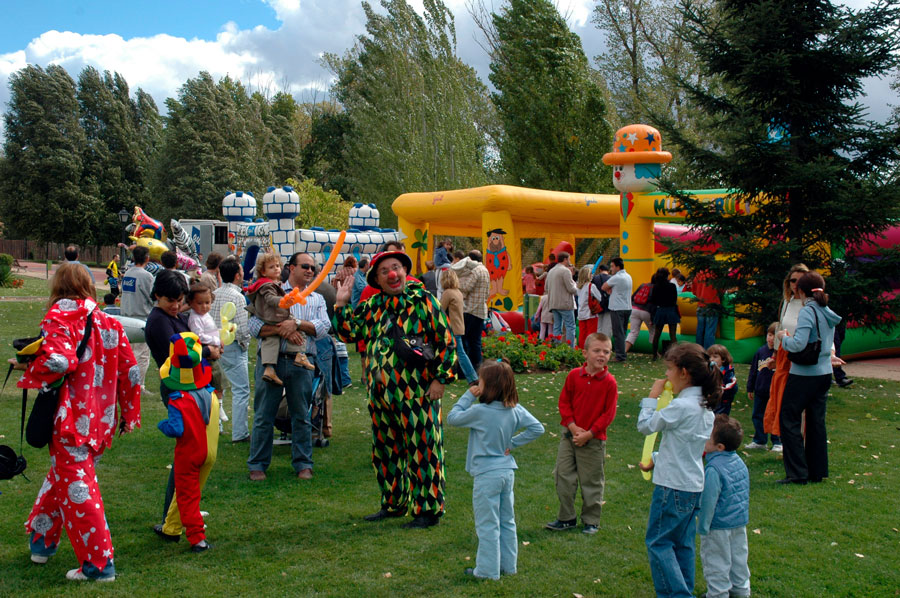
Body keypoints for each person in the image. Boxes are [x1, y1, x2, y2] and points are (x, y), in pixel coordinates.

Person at [12, 263, 140, 582]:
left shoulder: (60, 316)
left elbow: (59, 361)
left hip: (70, 420)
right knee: (64, 479)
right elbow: (131, 371)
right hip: (100, 419)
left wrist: (28, 367)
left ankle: (99, 565)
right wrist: (129, 414)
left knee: (79, 489)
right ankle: (42, 541)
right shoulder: (108, 321)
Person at [333, 250, 457, 528]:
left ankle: (428, 509)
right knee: (386, 451)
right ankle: (393, 503)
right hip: (381, 397)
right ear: (377, 278)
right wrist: (341, 304)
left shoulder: (424, 300)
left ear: (404, 271)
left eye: (397, 267)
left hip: (418, 395)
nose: (393, 274)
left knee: (423, 449)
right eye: (386, 270)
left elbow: (446, 343)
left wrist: (440, 380)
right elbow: (348, 333)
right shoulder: (373, 306)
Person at [446, 359, 544, 580]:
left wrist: (468, 396)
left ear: (487, 385)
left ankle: (487, 571)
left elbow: (453, 418)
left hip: (486, 475)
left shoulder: (479, 411)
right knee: (507, 520)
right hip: (507, 472)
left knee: (487, 524)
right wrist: (512, 444)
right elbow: (537, 428)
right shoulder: (515, 409)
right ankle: (509, 566)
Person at [637, 343, 720, 598]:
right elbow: (684, 446)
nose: (666, 375)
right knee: (682, 544)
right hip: (692, 485)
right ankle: (685, 590)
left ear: (684, 373)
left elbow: (646, 426)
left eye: (670, 369)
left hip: (671, 486)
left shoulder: (681, 407)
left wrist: (651, 398)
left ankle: (677, 595)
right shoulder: (704, 407)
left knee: (659, 542)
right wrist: (658, 459)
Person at [247, 252, 329, 480]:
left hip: (301, 363)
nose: (310, 271)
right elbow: (253, 326)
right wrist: (282, 329)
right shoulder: (270, 290)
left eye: (313, 267)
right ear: (291, 268)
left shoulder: (317, 299)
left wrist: (298, 324)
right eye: (305, 266)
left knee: (301, 415)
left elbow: (324, 327)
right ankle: (257, 465)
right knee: (264, 414)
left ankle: (303, 463)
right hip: (271, 362)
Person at [545, 333, 618, 535]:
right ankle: (566, 517)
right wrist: (573, 427)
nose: (601, 355)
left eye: (606, 351)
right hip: (569, 437)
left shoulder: (609, 382)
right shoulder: (574, 376)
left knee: (592, 481)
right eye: (597, 351)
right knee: (563, 476)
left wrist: (590, 433)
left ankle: (591, 520)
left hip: (593, 441)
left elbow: (608, 414)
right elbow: (564, 402)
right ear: (585, 353)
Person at [776, 271, 842, 485]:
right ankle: (817, 470)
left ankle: (797, 472)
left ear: (802, 291)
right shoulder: (827, 310)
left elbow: (799, 344)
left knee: (789, 418)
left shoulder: (807, 312)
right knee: (816, 422)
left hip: (804, 373)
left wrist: (784, 339)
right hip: (824, 372)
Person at [155, 332, 219, 553]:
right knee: (192, 494)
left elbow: (176, 429)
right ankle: (172, 528)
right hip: (205, 450)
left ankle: (197, 538)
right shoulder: (206, 394)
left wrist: (161, 425)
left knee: (186, 498)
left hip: (187, 455)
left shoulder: (177, 401)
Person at [697, 415, 751, 598]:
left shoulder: (713, 470)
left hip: (718, 526)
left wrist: (703, 526)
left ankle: (718, 593)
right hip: (739, 523)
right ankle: (741, 591)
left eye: (707, 437)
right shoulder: (740, 463)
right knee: (738, 559)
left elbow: (708, 501)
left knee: (716, 561)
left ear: (720, 447)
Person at [246, 252, 315, 386]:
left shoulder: (270, 284)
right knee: (298, 329)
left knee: (271, 340)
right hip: (275, 316)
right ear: (263, 272)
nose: (277, 269)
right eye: (272, 267)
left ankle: (269, 368)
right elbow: (270, 299)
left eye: (278, 266)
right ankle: (299, 354)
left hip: (270, 318)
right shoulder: (267, 285)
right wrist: (285, 300)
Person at [762, 263, 810, 451]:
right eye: (793, 280)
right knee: (782, 401)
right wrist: (774, 353)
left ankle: (802, 447)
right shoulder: (787, 302)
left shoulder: (811, 304)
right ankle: (788, 446)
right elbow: (781, 327)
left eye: (801, 281)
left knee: (801, 405)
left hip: (803, 356)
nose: (796, 285)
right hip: (784, 356)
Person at [211, 257, 252, 443]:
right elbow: (243, 328)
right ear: (237, 275)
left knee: (217, 388)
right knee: (241, 389)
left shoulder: (215, 293)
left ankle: (215, 426)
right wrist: (245, 344)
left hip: (214, 345)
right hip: (232, 346)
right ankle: (240, 433)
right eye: (241, 272)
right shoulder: (237, 297)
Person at [186, 284, 228, 431]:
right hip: (206, 356)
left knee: (220, 382)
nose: (204, 306)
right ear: (191, 303)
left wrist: (220, 337)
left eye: (207, 302)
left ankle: (219, 407)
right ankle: (217, 410)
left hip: (213, 352)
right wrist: (216, 341)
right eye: (200, 303)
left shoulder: (205, 315)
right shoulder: (195, 318)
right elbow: (198, 336)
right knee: (216, 380)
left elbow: (212, 331)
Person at [121, 246, 154, 389]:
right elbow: (152, 296)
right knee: (142, 355)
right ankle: (138, 385)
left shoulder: (128, 273)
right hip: (141, 317)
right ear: (147, 258)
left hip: (127, 316)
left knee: (130, 353)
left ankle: (129, 382)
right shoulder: (146, 276)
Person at [440, 268, 479, 384]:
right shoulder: (458, 292)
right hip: (459, 326)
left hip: (452, 328)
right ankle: (471, 377)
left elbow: (440, 309)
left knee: (460, 354)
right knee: (459, 353)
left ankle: (472, 377)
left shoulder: (447, 293)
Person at [745, 323, 779, 450]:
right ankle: (760, 440)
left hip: (774, 392)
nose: (771, 339)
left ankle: (777, 442)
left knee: (774, 416)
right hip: (760, 390)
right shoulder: (761, 351)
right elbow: (753, 371)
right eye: (769, 335)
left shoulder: (780, 354)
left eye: (774, 336)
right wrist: (750, 387)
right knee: (758, 415)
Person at [458, 250, 491, 371]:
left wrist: (457, 282)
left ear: (470, 260)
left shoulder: (475, 271)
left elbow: (467, 287)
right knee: (476, 342)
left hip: (470, 310)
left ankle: (465, 370)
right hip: (481, 310)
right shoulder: (485, 270)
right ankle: (478, 368)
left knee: (464, 341)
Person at [602, 257, 633, 362]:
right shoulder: (628, 276)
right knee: (623, 331)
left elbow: (604, 287)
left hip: (617, 307)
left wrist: (609, 290)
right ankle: (622, 352)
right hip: (627, 307)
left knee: (618, 332)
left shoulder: (616, 277)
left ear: (617, 267)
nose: (611, 269)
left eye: (612, 266)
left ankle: (620, 355)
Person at [546, 251, 577, 347]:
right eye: (569, 259)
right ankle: (570, 349)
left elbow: (546, 288)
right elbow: (571, 289)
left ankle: (556, 348)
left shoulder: (551, 271)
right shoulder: (565, 271)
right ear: (565, 259)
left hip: (553, 303)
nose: (569, 261)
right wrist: (576, 285)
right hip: (565, 304)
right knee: (570, 327)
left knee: (557, 327)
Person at [650, 267, 680, 360]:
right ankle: (676, 355)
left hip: (660, 310)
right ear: (667, 275)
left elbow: (653, 301)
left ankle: (654, 355)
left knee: (657, 334)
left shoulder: (656, 286)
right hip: (671, 310)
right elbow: (675, 299)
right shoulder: (672, 286)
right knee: (673, 335)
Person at [575, 265, 603, 349]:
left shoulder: (578, 287)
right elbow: (599, 297)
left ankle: (581, 350)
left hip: (581, 313)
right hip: (591, 313)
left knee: (582, 334)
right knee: (591, 334)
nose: (592, 276)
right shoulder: (591, 286)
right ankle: (590, 349)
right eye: (591, 274)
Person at [692, 269, 721, 350]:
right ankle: (708, 353)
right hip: (712, 305)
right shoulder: (716, 274)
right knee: (710, 331)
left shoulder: (698, 275)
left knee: (700, 330)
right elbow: (721, 290)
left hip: (700, 305)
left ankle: (698, 351)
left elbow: (694, 291)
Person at [627, 279, 656, 354]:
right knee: (653, 331)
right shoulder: (656, 288)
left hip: (634, 309)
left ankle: (624, 351)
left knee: (633, 332)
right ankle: (655, 353)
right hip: (647, 311)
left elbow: (633, 296)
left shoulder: (643, 285)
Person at [708, 344, 737, 415]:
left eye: (715, 357)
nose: (711, 359)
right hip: (711, 400)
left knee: (719, 420)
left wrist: (720, 391)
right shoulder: (708, 370)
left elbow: (732, 386)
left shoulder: (728, 371)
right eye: (710, 357)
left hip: (723, 402)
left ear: (723, 359)